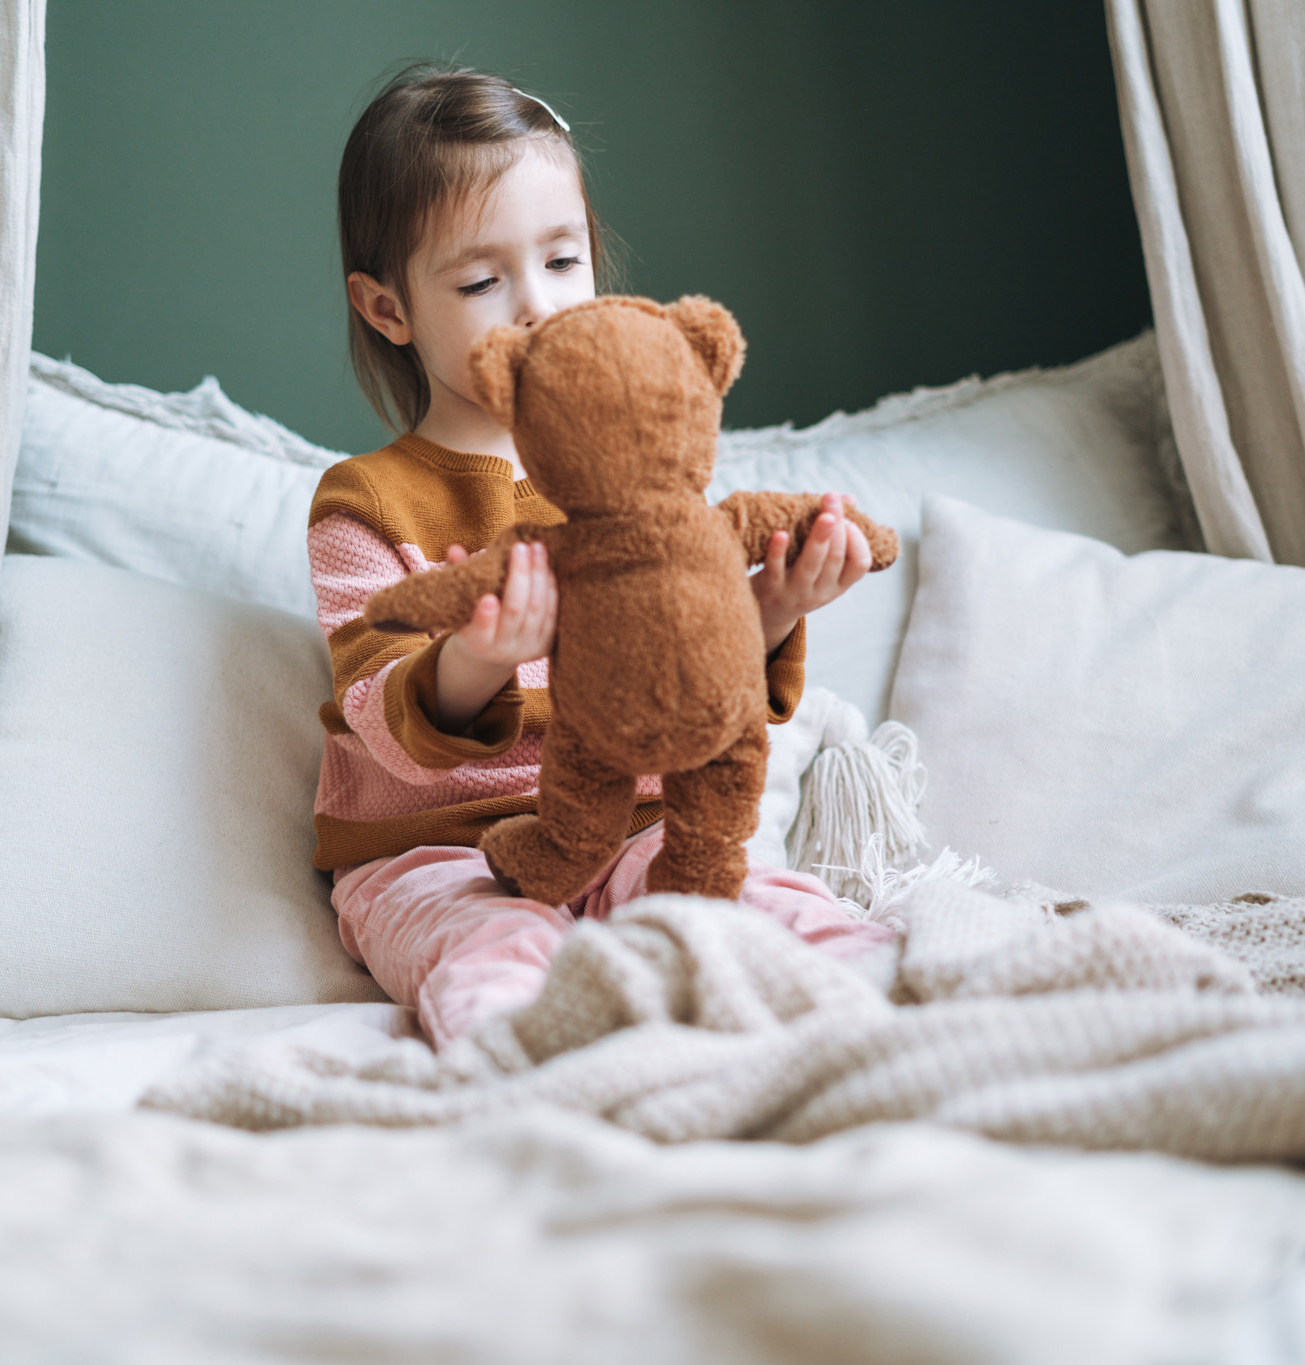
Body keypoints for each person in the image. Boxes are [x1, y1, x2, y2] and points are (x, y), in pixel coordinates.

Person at [312, 64, 893, 1048]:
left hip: (637, 824)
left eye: (563, 262)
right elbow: (377, 712)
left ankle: (876, 1028)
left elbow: (684, 672)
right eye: (481, 281)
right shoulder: (367, 500)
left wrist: (772, 611)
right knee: (491, 952)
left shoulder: (642, 477)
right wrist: (479, 658)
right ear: (387, 309)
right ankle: (532, 1072)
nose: (537, 308)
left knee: (766, 910)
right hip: (440, 852)